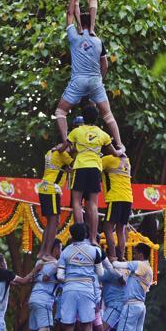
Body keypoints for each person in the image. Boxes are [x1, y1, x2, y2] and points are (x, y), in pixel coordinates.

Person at [54, 2, 123, 163]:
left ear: (80, 24)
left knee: (60, 112)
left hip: (78, 80)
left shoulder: (74, 37)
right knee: (108, 115)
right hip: (95, 80)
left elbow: (69, 14)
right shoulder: (98, 41)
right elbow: (104, 64)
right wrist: (100, 80)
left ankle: (66, 143)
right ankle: (119, 145)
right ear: (91, 23)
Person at [65, 105, 122, 243]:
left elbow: (67, 150)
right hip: (95, 168)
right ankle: (92, 238)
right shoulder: (103, 134)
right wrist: (122, 150)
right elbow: (114, 152)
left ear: (83, 118)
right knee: (93, 204)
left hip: (80, 168)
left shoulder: (76, 132)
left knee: (77, 202)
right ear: (97, 118)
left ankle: (80, 236)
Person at [57, 223, 104, 331]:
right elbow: (100, 273)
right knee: (87, 324)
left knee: (68, 325)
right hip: (87, 289)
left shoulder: (65, 251)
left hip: (69, 289)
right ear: (85, 235)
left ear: (71, 236)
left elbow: (60, 275)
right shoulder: (95, 251)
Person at [112, 244, 154, 331]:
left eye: (135, 253)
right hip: (141, 306)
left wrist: (112, 257)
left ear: (141, 255)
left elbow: (115, 265)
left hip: (131, 306)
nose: (134, 256)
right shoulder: (149, 270)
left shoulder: (138, 264)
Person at [27, 242, 61, 331]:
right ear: (56, 249)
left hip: (33, 298)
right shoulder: (56, 264)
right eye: (60, 249)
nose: (61, 252)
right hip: (44, 300)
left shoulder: (39, 262)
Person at [36, 146, 73, 261]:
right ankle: (47, 253)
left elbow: (62, 167)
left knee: (51, 222)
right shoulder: (63, 154)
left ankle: (42, 252)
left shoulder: (50, 151)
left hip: (44, 188)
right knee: (53, 222)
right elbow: (76, 165)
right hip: (52, 189)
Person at [101, 154, 133, 261]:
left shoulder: (109, 159)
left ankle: (113, 256)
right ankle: (121, 256)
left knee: (107, 227)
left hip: (115, 197)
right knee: (120, 229)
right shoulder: (126, 160)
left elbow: (94, 166)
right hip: (128, 198)